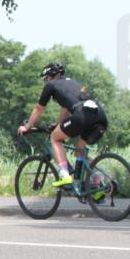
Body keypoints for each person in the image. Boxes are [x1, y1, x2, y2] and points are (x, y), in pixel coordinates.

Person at [18, 63, 108, 191]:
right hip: (100, 116)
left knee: (55, 138)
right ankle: (97, 179)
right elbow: (66, 107)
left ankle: (64, 174)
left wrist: (27, 127)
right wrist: (58, 124)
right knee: (79, 150)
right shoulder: (72, 82)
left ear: (50, 77)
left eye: (45, 79)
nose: (45, 82)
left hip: (82, 115)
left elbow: (39, 108)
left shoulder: (51, 85)